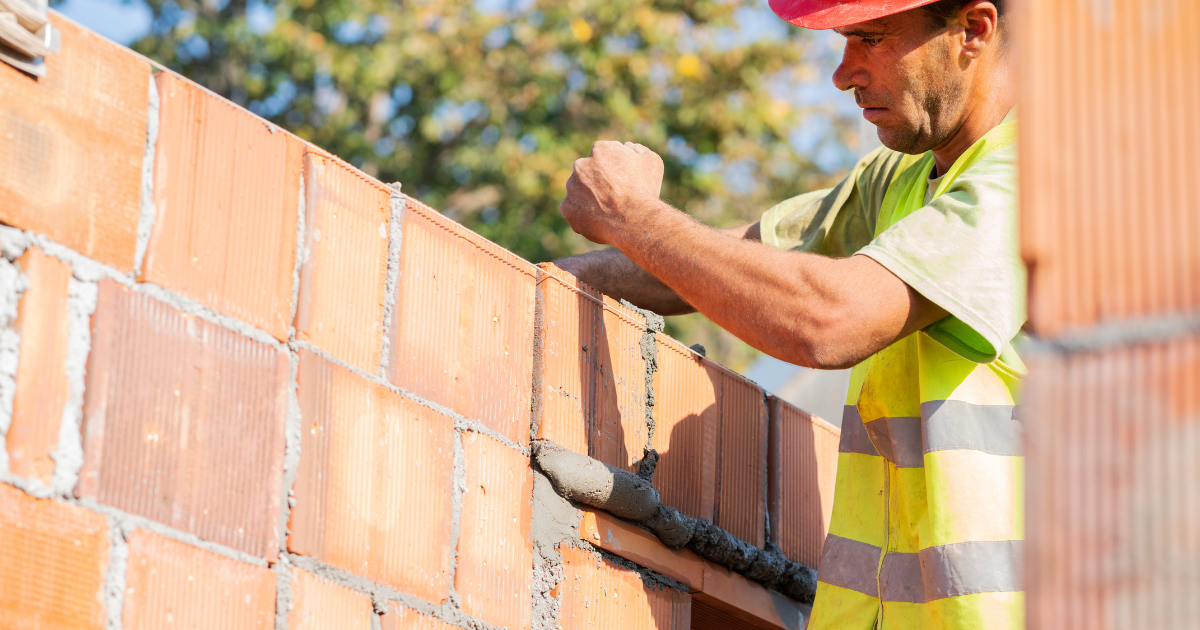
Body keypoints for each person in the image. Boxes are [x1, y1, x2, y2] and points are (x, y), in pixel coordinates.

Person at [554, 0, 1024, 628]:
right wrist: (556, 279)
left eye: (870, 39)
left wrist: (631, 216)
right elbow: (733, 263)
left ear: (973, 30)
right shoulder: (905, 179)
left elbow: (827, 322)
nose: (844, 72)